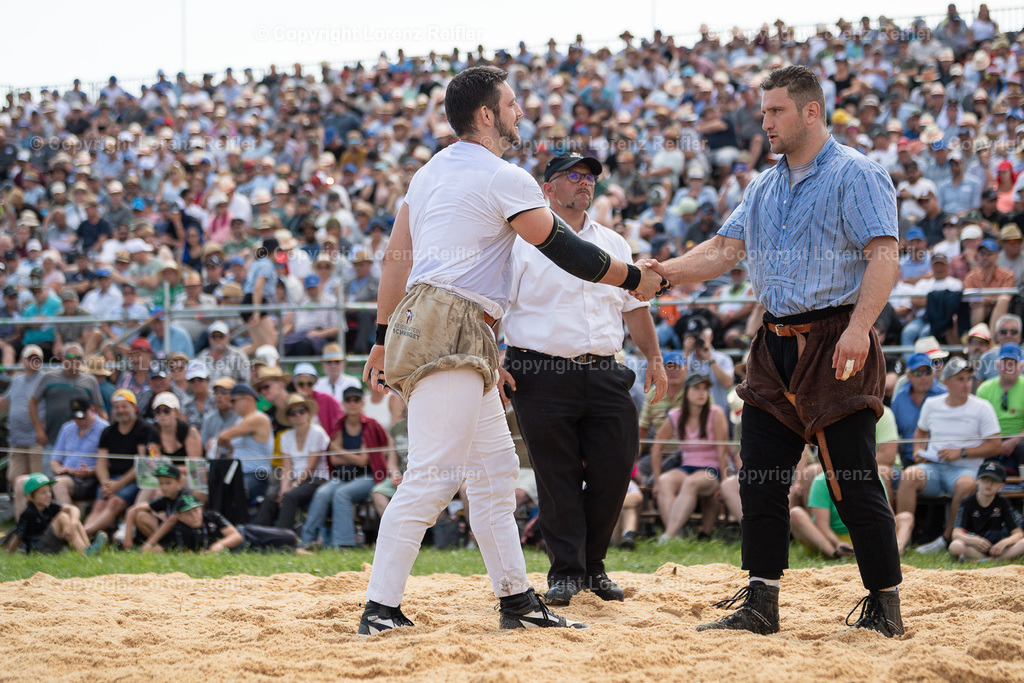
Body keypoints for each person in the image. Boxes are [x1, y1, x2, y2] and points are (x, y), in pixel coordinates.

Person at [359, 66, 663, 635]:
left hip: (445, 325)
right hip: (454, 324)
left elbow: (394, 259)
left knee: (495, 471)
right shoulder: (506, 177)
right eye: (512, 103)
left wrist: (381, 337)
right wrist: (630, 278)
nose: (520, 112)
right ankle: (379, 608)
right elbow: (561, 248)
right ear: (486, 115)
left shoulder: (425, 176)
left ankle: (517, 600)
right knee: (434, 474)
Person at [653, 66, 905, 637]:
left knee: (852, 477)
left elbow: (883, 255)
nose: (763, 121)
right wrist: (663, 274)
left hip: (836, 335)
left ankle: (884, 604)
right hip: (773, 340)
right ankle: (761, 601)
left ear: (810, 111)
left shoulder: (858, 173)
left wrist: (860, 328)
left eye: (775, 112)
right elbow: (722, 250)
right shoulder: (762, 186)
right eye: (763, 111)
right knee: (760, 477)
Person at [503, 151, 666, 605]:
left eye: (590, 176)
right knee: (557, 477)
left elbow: (635, 306)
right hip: (540, 370)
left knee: (615, 471)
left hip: (606, 368)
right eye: (572, 175)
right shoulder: (520, 244)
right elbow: (494, 306)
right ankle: (568, 572)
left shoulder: (614, 242)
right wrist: (495, 358)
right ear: (548, 188)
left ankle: (593, 566)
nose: (585, 182)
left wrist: (653, 356)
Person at [895, 358, 1002, 554]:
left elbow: (996, 445)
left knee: (966, 485)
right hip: (934, 467)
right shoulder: (932, 404)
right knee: (909, 475)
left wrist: (961, 452)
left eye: (969, 379)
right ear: (947, 383)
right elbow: (921, 432)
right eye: (960, 379)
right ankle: (903, 538)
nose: (966, 383)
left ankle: (946, 539)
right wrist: (919, 451)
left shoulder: (982, 406)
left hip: (966, 470)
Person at [300, 386, 389, 548]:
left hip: (369, 476)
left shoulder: (370, 425)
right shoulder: (339, 425)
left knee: (341, 494)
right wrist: (352, 457)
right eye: (348, 400)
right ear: (343, 403)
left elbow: (363, 461)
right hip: (343, 476)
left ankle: (344, 544)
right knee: (322, 493)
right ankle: (307, 542)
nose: (352, 404)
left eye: (356, 400)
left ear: (362, 403)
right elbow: (334, 461)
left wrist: (340, 451)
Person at [651, 374, 731, 542]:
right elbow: (656, 448)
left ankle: (668, 536)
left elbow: (722, 451)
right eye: (696, 388)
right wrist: (657, 481)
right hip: (687, 467)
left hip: (711, 470)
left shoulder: (715, 413)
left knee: (691, 482)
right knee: (665, 480)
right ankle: (675, 535)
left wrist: (724, 483)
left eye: (705, 389)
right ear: (686, 392)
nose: (702, 393)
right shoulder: (675, 415)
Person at [84, 389, 155, 538]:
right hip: (111, 479)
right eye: (117, 407)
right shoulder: (108, 432)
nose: (120, 410)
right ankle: (84, 539)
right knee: (99, 505)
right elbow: (101, 462)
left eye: (124, 406)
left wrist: (119, 484)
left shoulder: (145, 429)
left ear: (134, 408)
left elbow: (142, 464)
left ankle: (83, 534)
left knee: (114, 502)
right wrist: (105, 482)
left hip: (134, 480)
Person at [254, 393, 329, 529]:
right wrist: (283, 489)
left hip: (316, 478)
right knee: (271, 496)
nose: (298, 415)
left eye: (301, 411)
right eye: (292, 412)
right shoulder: (286, 437)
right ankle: (259, 535)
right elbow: (287, 467)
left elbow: (311, 467)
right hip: (295, 479)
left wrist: (291, 488)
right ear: (288, 417)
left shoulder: (317, 432)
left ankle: (282, 538)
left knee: (290, 497)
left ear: (308, 413)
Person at [6, 473, 106, 555]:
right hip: (38, 550)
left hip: (52, 544)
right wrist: (9, 554)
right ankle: (85, 551)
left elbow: (73, 508)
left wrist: (74, 522)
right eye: (43, 493)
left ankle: (88, 547)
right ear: (31, 497)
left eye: (49, 491)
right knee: (62, 516)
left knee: (71, 517)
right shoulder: (28, 514)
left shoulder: (49, 505)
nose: (48, 495)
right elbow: (17, 536)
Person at [947, 461, 1024, 561]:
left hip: (998, 548)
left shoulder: (1003, 502)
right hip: (976, 547)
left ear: (1001, 485)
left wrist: (1004, 542)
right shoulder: (968, 501)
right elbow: (956, 533)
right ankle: (990, 559)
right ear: (977, 480)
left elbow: (1018, 533)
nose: (989, 484)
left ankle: (990, 560)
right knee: (955, 546)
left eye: (994, 481)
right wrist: (973, 541)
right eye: (984, 480)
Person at [1, 344, 46, 516]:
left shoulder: (45, 380)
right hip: (17, 439)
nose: (34, 362)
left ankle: (37, 518)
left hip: (36, 439)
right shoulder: (16, 380)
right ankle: (22, 519)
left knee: (37, 482)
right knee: (15, 478)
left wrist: (41, 430)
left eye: (37, 359)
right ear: (23, 360)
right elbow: (6, 402)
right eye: (30, 358)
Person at [216, 383, 273, 503]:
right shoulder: (240, 420)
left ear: (248, 399)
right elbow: (226, 443)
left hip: (255, 475)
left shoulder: (259, 418)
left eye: (233, 401)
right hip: (238, 472)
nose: (230, 405)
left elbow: (223, 436)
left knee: (233, 496)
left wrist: (220, 441)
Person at [890, 353, 948, 468]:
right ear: (908, 375)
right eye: (917, 372)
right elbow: (894, 432)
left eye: (927, 372)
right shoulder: (900, 397)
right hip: (907, 458)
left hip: (941, 459)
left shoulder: (945, 394)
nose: (923, 377)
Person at [975, 343, 1024, 476]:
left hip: (1019, 440)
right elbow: (977, 422)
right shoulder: (984, 389)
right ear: (997, 366)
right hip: (990, 440)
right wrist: (995, 444)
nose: (1008, 367)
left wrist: (1013, 441)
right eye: (1005, 363)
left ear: (1021, 367)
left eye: (1013, 363)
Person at [122, 463, 191, 551]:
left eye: (168, 483)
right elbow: (133, 509)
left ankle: (161, 547)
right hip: (173, 536)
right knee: (140, 515)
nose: (164, 487)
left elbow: (170, 522)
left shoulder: (184, 497)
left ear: (179, 482)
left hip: (186, 540)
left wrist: (149, 543)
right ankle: (157, 546)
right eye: (161, 483)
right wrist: (128, 536)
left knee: (153, 551)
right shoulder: (168, 497)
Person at [789, 471, 856, 559]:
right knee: (795, 514)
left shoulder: (868, 477)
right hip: (828, 540)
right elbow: (822, 525)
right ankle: (835, 555)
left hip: (857, 537)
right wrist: (838, 543)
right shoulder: (821, 481)